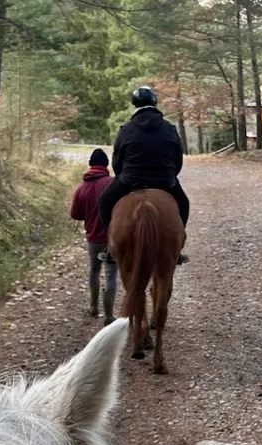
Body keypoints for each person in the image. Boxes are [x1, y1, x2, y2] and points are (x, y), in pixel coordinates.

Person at [96, 86, 190, 265]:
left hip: (130, 180)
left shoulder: (127, 129)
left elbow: (117, 160)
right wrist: (170, 175)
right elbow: (178, 159)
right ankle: (177, 249)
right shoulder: (169, 128)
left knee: (104, 201)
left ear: (134, 105)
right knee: (184, 204)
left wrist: (122, 176)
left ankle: (110, 247)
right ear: (154, 103)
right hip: (164, 181)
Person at [69, 148, 118, 325]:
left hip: (93, 238)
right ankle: (109, 316)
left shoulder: (82, 188)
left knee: (94, 270)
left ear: (90, 165)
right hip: (113, 238)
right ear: (106, 165)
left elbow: (75, 214)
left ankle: (93, 306)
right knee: (112, 273)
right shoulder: (113, 184)